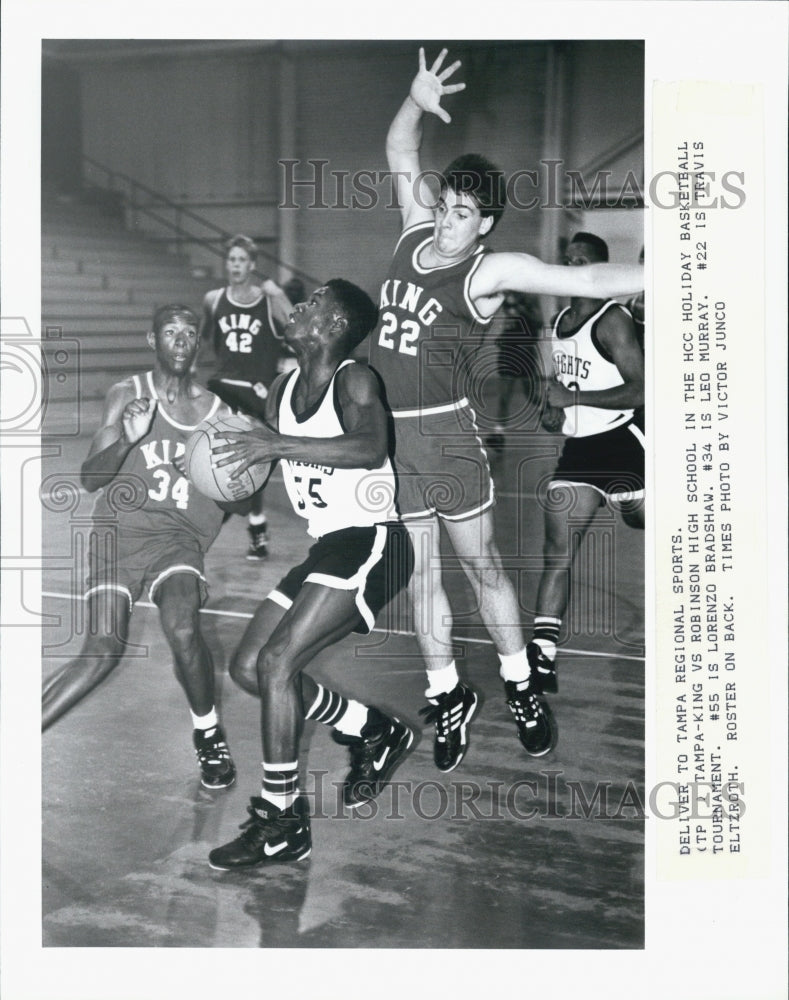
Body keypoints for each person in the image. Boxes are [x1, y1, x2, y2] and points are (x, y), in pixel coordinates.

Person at [367, 48, 644, 768]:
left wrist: (679, 267)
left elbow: (585, 274)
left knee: (482, 567)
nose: (446, 224)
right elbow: (400, 145)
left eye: (463, 215)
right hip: (391, 441)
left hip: (449, 440)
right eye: (445, 208)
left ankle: (520, 684)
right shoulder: (412, 230)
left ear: (484, 224)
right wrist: (414, 98)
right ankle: (445, 691)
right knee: (422, 577)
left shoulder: (489, 268)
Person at [205, 279, 415, 870]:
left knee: (277, 664)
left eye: (313, 301)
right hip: (327, 547)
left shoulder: (355, 378)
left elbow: (372, 447)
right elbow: (259, 464)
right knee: (248, 668)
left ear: (332, 325)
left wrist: (277, 442)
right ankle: (372, 728)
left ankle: (283, 823)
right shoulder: (281, 388)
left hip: (374, 540)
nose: (299, 305)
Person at [42, 305, 237, 789]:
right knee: (102, 650)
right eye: (170, 332)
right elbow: (91, 478)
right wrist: (127, 441)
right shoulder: (127, 394)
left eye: (189, 333)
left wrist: (227, 485)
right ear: (153, 340)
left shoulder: (220, 413)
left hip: (176, 540)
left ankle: (207, 733)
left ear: (198, 343)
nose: (180, 340)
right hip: (119, 534)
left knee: (183, 627)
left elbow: (236, 492)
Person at [527, 232, 645, 693]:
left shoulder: (612, 318)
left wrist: (575, 396)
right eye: (568, 260)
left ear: (600, 269)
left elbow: (642, 389)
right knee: (556, 550)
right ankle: (542, 655)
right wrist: (554, 410)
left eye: (583, 262)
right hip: (580, 450)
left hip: (624, 442)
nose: (573, 268)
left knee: (644, 523)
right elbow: (561, 388)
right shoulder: (557, 323)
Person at [200, 234, 294, 560]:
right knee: (216, 460)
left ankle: (253, 524)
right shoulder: (213, 299)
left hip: (258, 392)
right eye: (232, 259)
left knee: (250, 463)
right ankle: (216, 525)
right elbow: (207, 342)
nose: (236, 265)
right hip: (223, 387)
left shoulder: (268, 301)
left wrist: (279, 295)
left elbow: (299, 329)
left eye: (242, 260)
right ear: (226, 264)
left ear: (252, 265)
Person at [484, 292, 541, 455]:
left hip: (525, 352)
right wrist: (503, 337)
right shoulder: (506, 295)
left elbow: (538, 323)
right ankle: (498, 434)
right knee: (504, 397)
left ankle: (554, 414)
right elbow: (509, 323)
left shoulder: (530, 298)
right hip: (509, 351)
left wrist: (522, 308)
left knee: (532, 395)